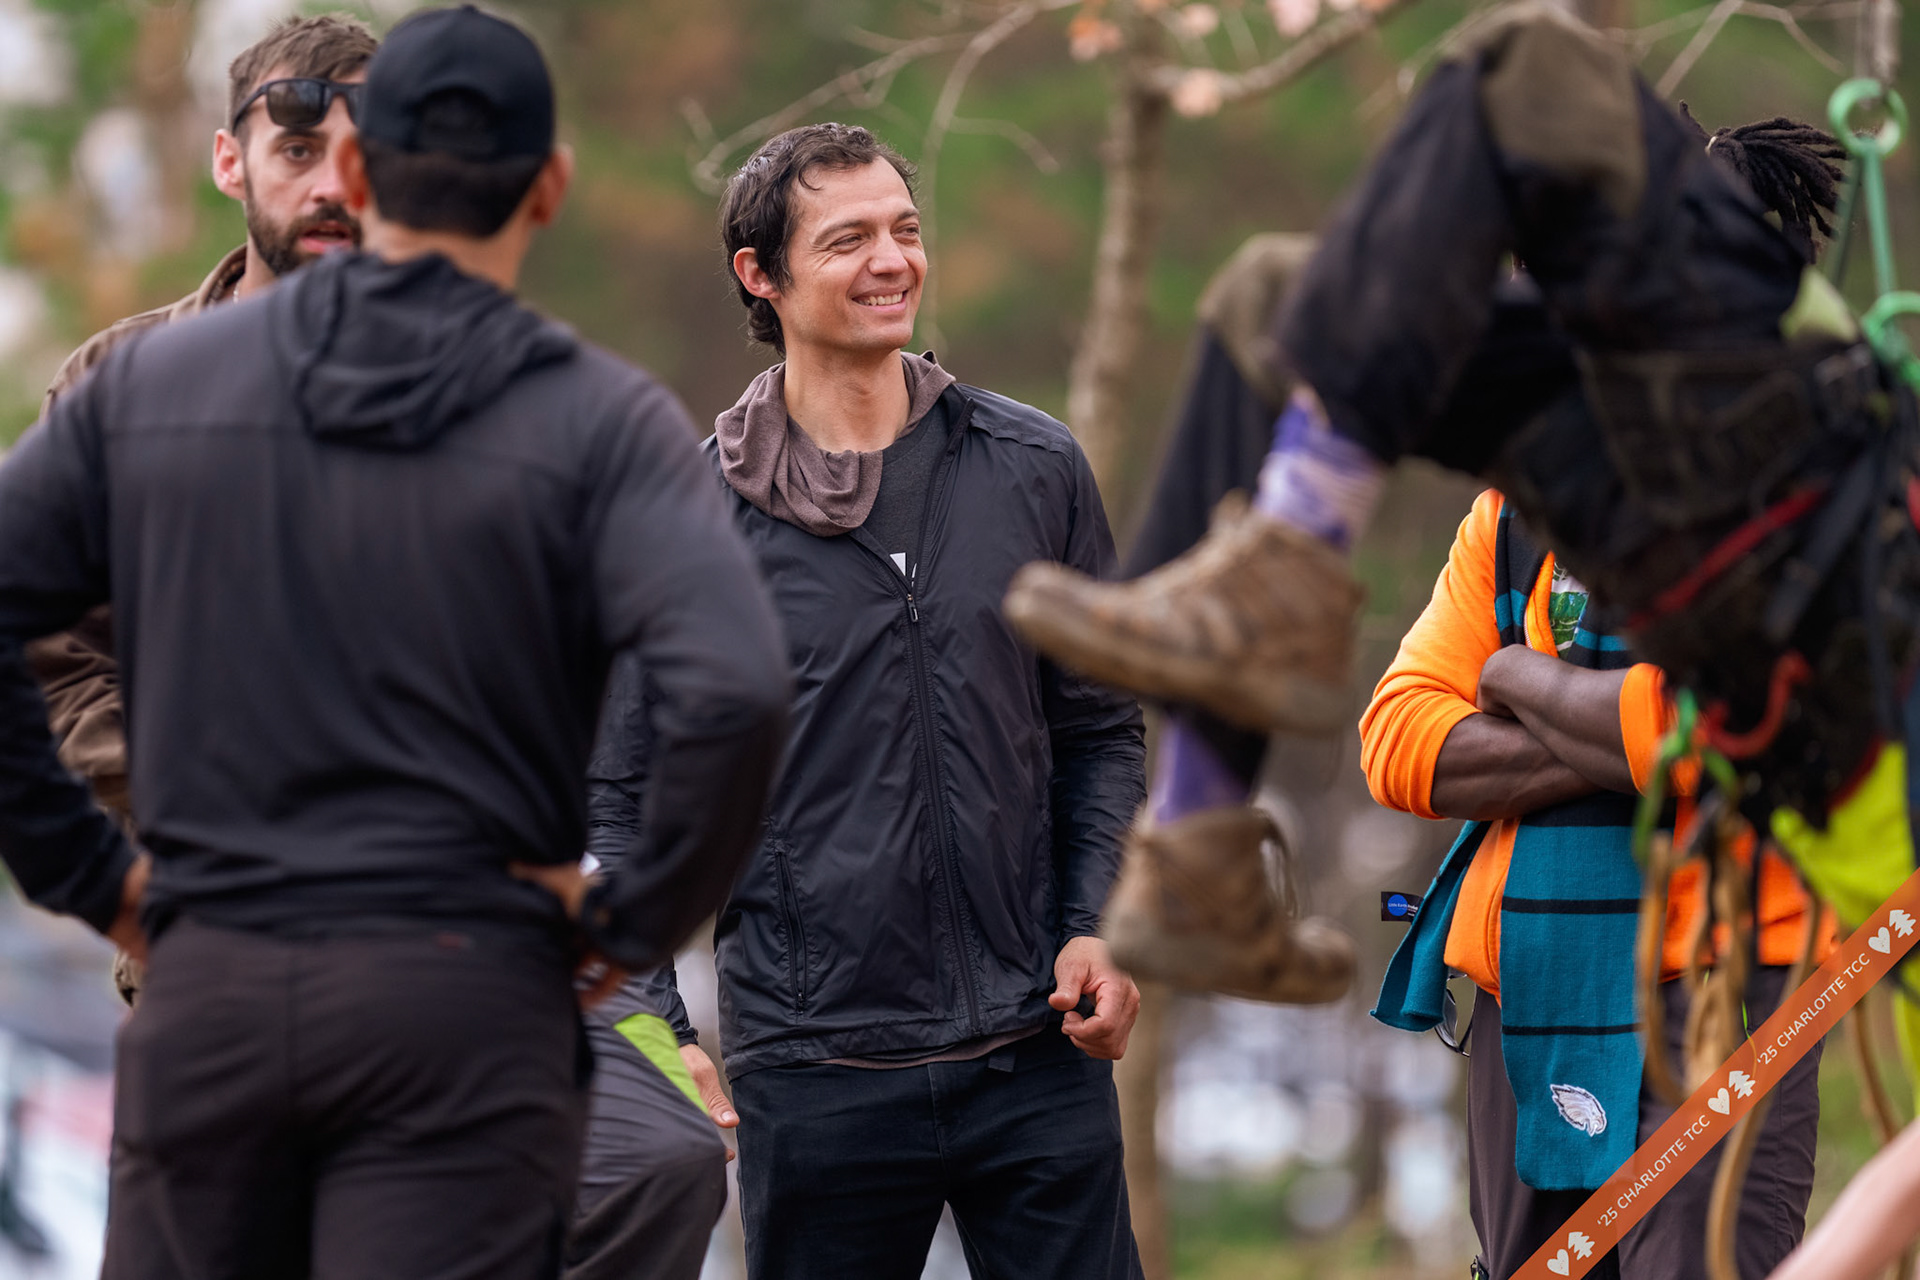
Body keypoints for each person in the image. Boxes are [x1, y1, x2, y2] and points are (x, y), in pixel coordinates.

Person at [0, 7, 790, 1277]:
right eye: (293, 146)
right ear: (552, 188)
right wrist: (629, 921)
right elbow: (741, 690)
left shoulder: (150, 401)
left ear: (373, 172)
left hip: (236, 970)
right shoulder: (593, 412)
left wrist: (95, 878)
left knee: (655, 1151)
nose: (323, 181)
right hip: (437, 978)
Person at [1004, 5, 1903, 999]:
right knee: (1274, 303)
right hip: (1765, 572)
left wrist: (1521, 678)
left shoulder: (1785, 385)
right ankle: (1193, 844)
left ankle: (1257, 640)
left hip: (1820, 624)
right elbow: (1402, 743)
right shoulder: (1563, 499)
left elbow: (1684, 732)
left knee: (1529, 64)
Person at [654, 121, 1148, 1278]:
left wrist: (1097, 924)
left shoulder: (1034, 469)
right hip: (814, 1075)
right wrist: (653, 1031)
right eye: (850, 238)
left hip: (1039, 1054)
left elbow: (1100, 730)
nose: (893, 260)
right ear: (759, 275)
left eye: (906, 229)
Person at [1362, 488, 1830, 1279]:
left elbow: (1732, 718)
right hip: (1527, 999)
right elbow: (1398, 741)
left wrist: (1512, 677)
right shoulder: (1507, 519)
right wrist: (1628, 743)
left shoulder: (1768, 484)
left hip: (1720, 996)